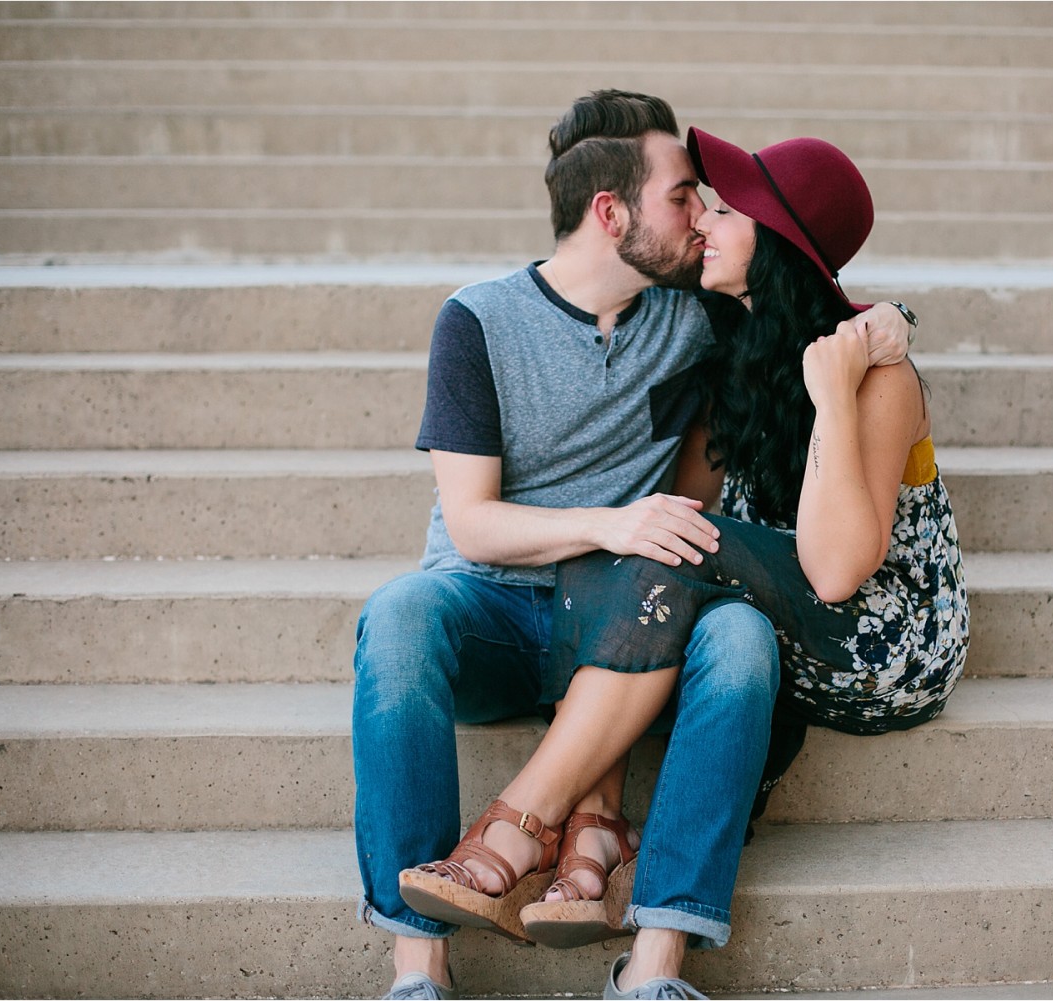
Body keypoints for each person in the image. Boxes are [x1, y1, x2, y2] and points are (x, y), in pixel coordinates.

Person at [352, 90, 914, 1001]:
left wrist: (889, 319)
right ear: (611, 213)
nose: (701, 219)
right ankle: (418, 968)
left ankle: (655, 971)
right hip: (498, 607)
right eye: (684, 197)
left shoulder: (694, 319)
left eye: (704, 202)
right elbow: (471, 524)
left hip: (632, 619)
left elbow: (799, 293)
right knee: (398, 614)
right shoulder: (479, 321)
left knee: (740, 640)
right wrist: (603, 523)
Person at [539, 126, 971, 965]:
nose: (702, 219)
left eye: (728, 210)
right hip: (774, 610)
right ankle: (629, 885)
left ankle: (530, 816)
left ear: (776, 244)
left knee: (663, 538)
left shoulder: (879, 378)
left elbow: (839, 571)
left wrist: (833, 397)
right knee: (630, 546)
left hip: (885, 642)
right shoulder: (733, 342)